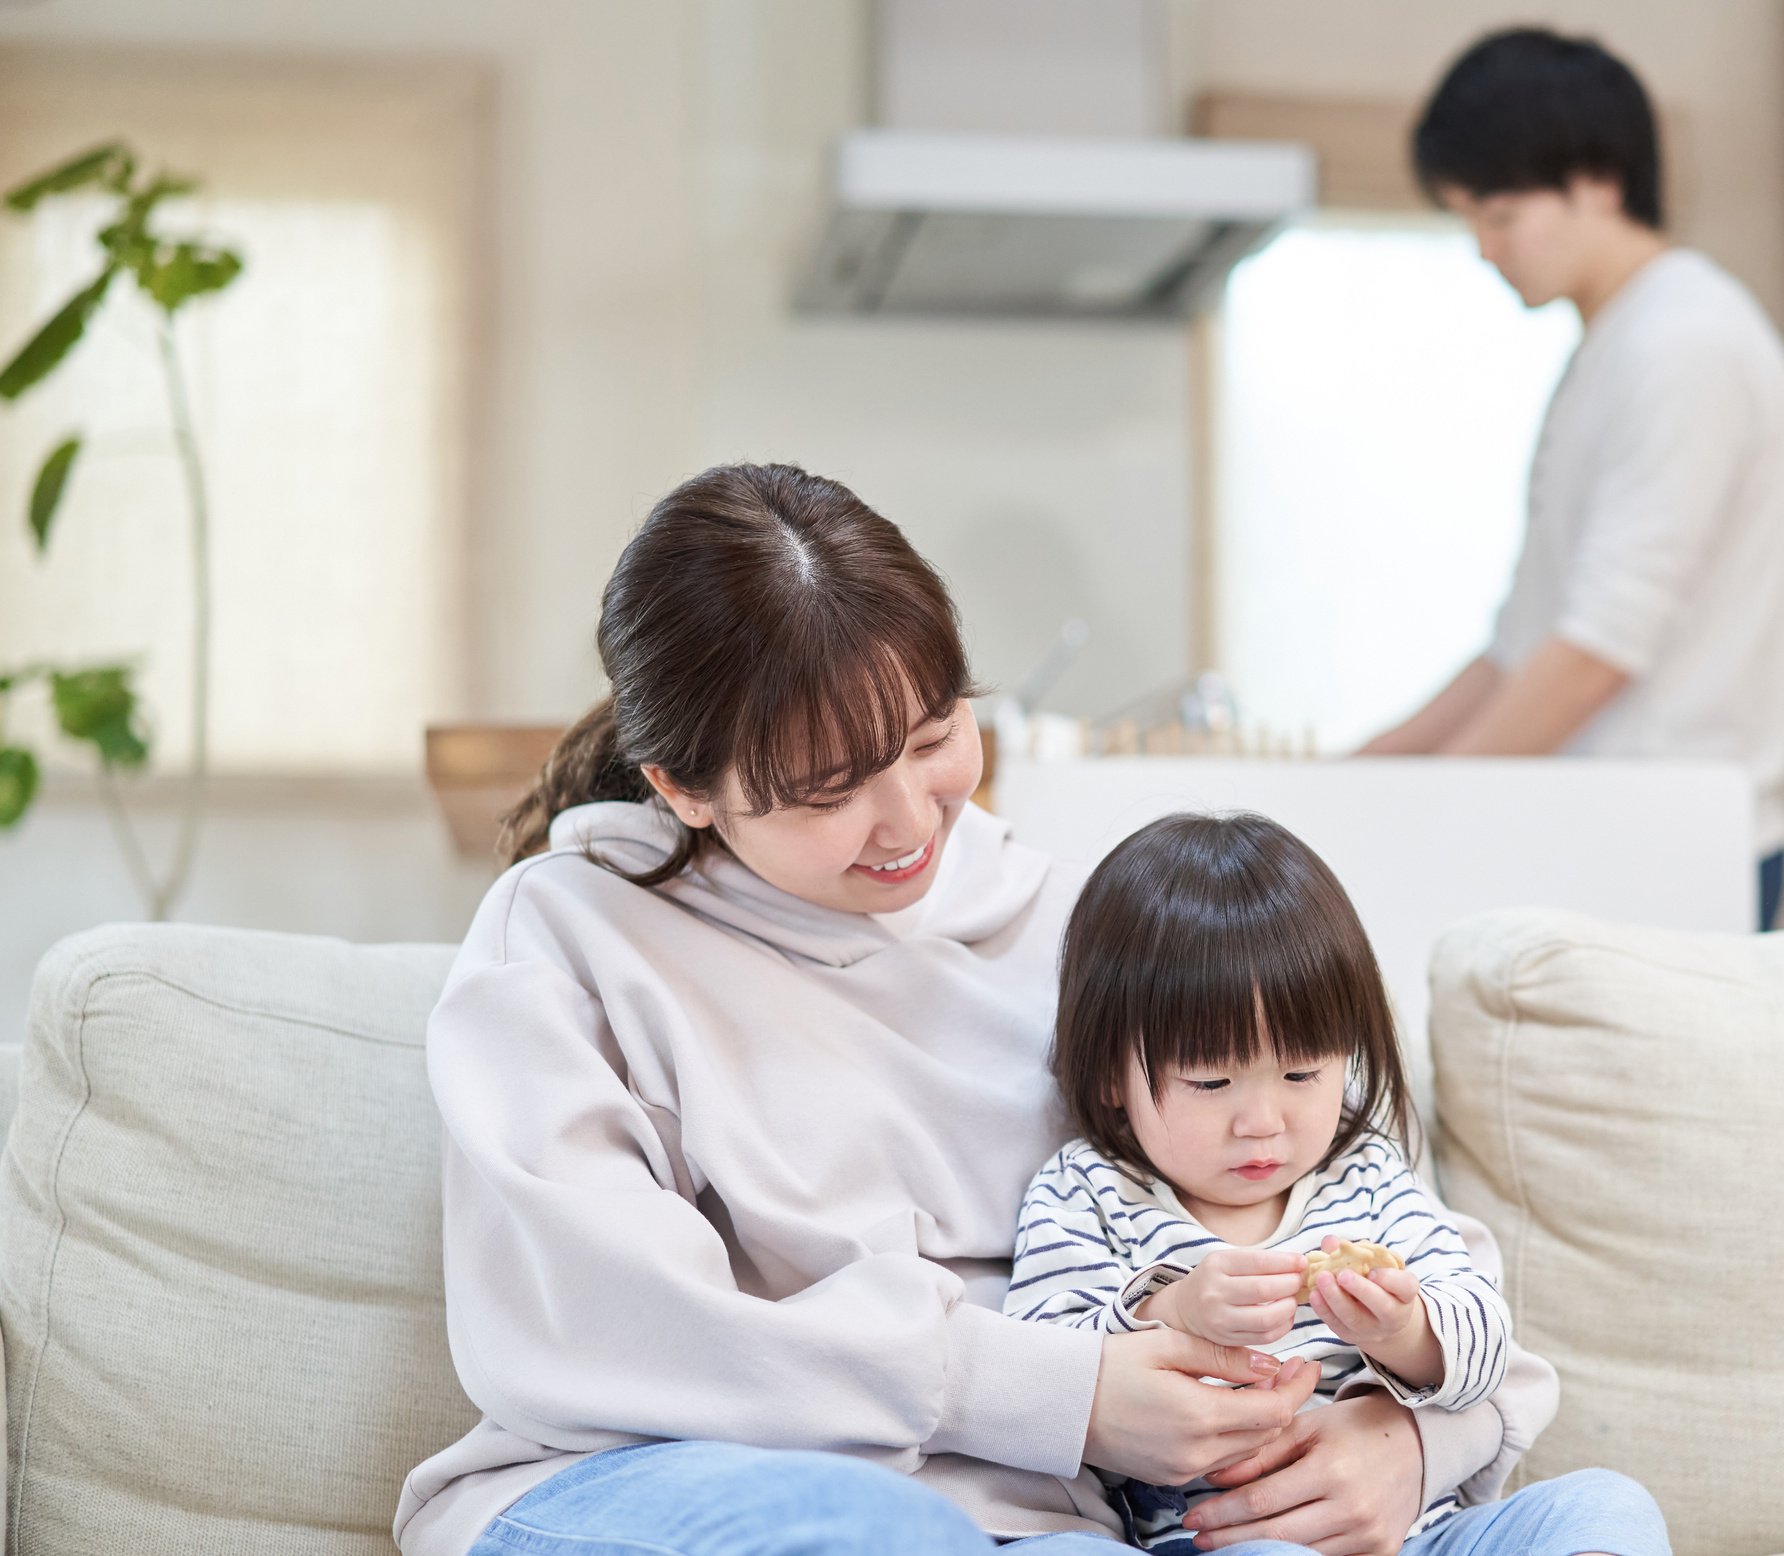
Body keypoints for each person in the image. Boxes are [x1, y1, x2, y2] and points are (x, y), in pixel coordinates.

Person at [392, 463, 1623, 1556]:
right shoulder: (564, 938)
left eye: (934, 735)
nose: (912, 820)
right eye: (827, 792)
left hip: (1048, 1520)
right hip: (650, 1485)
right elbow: (620, 1330)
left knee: (1594, 1518)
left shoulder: (1073, 929)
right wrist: (1062, 1391)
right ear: (684, 787)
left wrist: (1402, 1439)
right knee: (867, 1532)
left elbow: (1370, 1225)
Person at [1009, 812, 1669, 1556]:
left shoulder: (1366, 1176)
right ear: (1107, 1073)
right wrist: (1170, 1309)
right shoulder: (1087, 1193)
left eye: (1300, 1073)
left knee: (1607, 1504)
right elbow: (1044, 1378)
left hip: (1417, 1537)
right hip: (1222, 1542)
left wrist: (1406, 1332)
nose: (1261, 1122)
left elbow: (1485, 1344)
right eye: (1210, 1081)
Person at [1358, 28, 1784, 933]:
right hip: (1618, 836)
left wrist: (1412, 814)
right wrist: (1363, 775)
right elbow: (1520, 650)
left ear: (1597, 181)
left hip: (1674, 854)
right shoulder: (1614, 349)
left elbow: (1600, 648)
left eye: (1498, 215)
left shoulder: (1685, 346)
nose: (1485, 250)